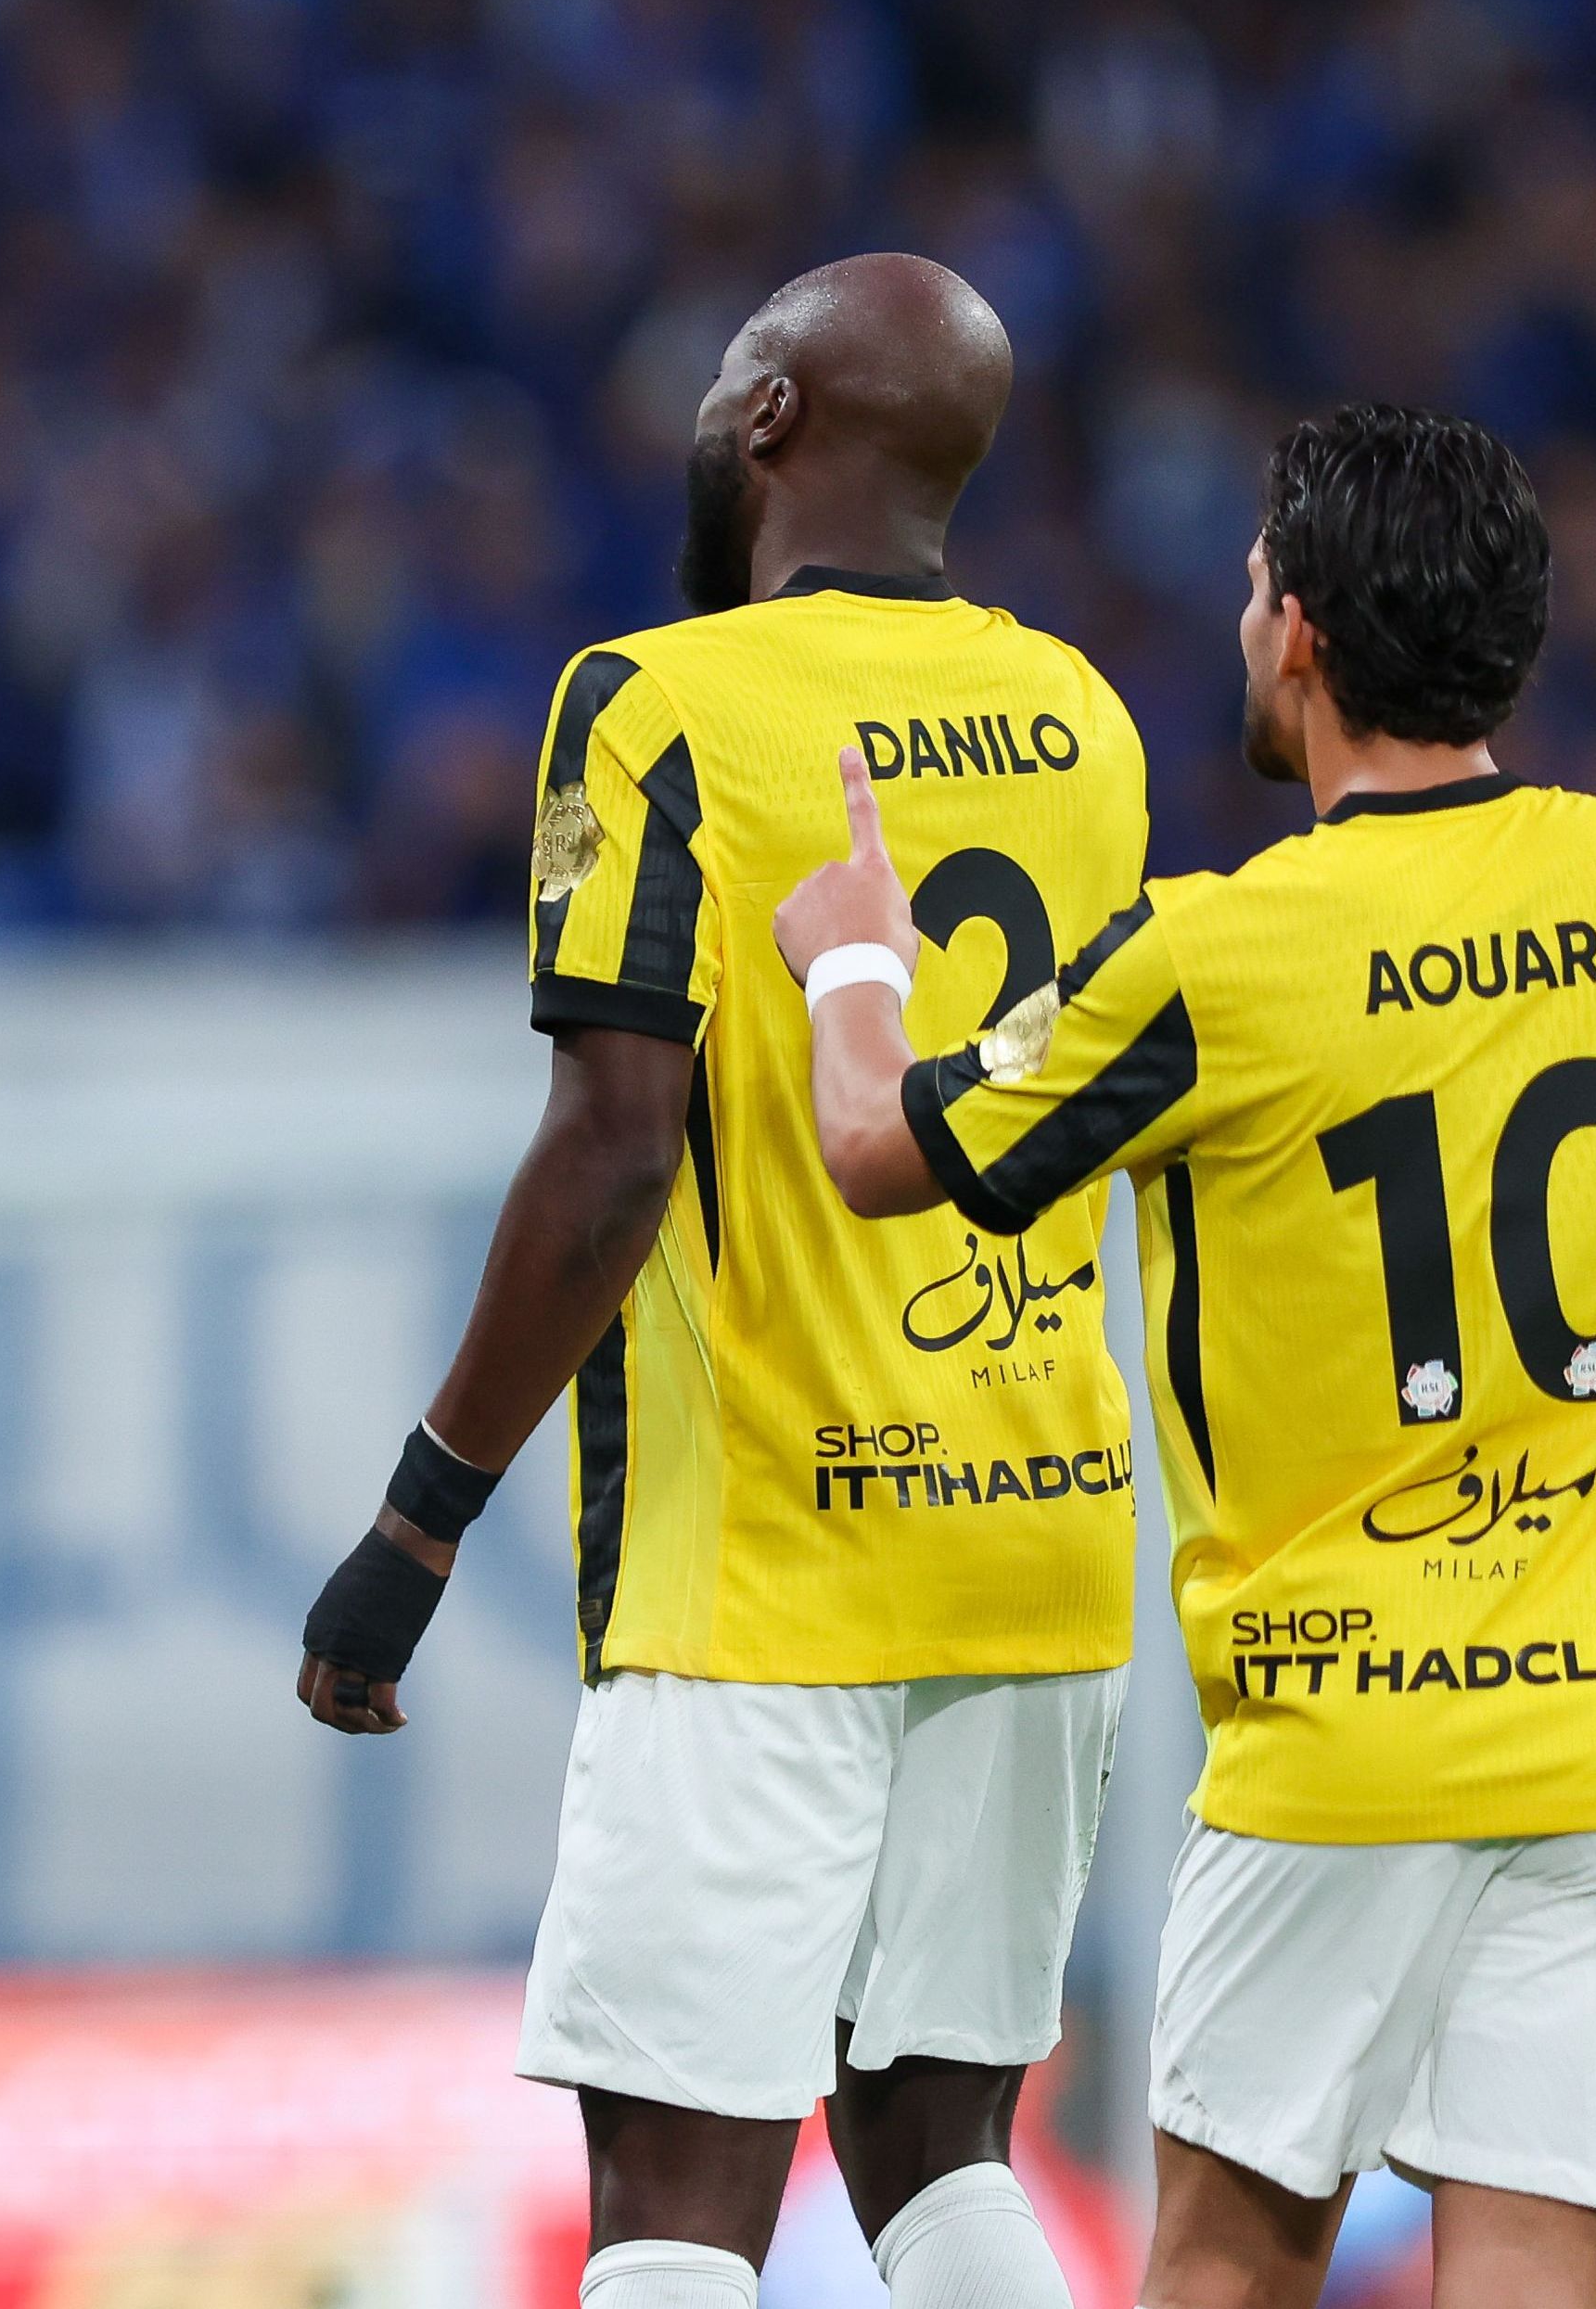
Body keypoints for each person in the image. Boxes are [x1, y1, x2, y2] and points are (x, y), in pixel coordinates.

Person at [772, 402, 1596, 2309]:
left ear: (1298, 632)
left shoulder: (1218, 958)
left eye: (1247, 588)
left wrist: (854, 961)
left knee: (1227, 2269)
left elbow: (881, 1145)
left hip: (1340, 1743)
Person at [295, 255, 1152, 2309]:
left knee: (679, 2186)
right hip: (1035, 1535)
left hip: (769, 1555)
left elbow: (613, 1154)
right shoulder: (1086, 718)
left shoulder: (650, 703)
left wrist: (420, 1519)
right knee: (939, 2152)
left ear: (768, 418)